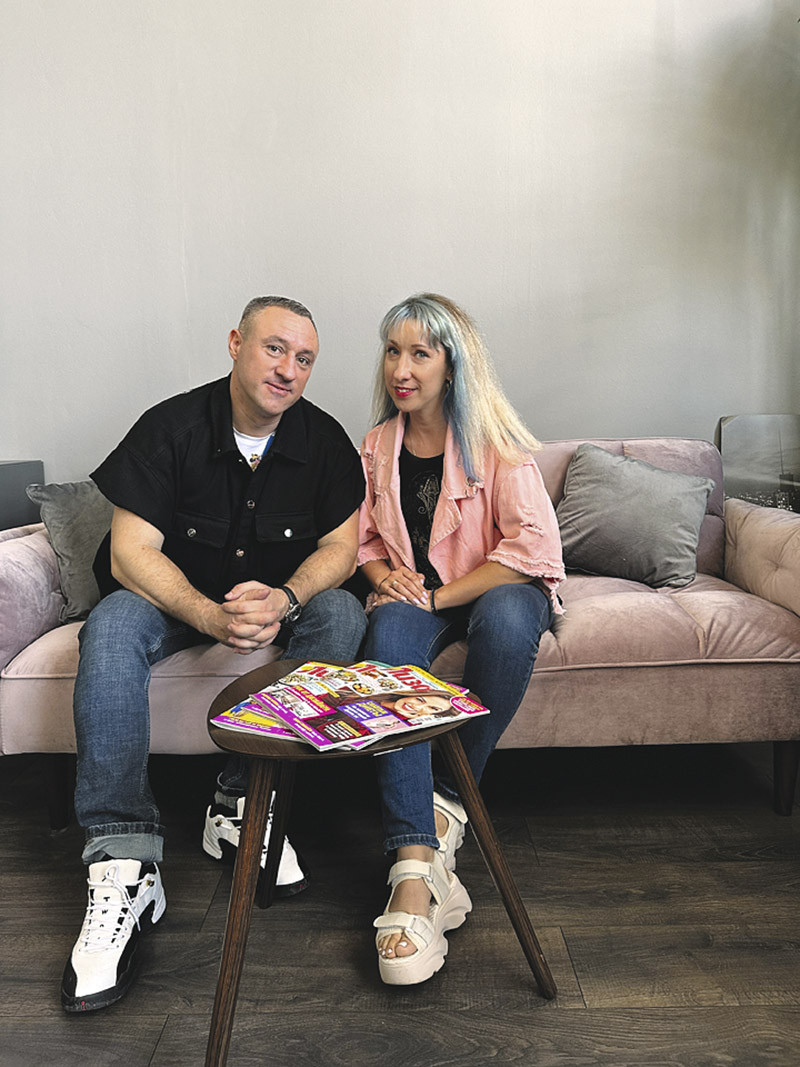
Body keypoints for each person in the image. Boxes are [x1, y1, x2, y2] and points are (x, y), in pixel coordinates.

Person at [62, 296, 367, 1013]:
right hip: (174, 601)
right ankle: (124, 860)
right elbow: (131, 554)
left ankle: (238, 800)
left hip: (270, 603)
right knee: (110, 623)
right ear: (235, 343)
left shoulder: (324, 440)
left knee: (342, 612)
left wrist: (286, 598)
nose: (287, 370)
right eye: (274, 349)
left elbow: (342, 549)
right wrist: (207, 613)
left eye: (304, 359)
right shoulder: (168, 427)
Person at [358, 293, 564, 986]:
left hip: (493, 587)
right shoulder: (375, 446)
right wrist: (388, 579)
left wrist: (437, 595)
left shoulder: (494, 443)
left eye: (420, 353)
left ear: (452, 365)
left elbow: (530, 548)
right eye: (393, 351)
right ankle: (417, 860)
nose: (402, 368)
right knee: (386, 632)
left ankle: (447, 798)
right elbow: (363, 542)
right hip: (416, 597)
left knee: (507, 618)